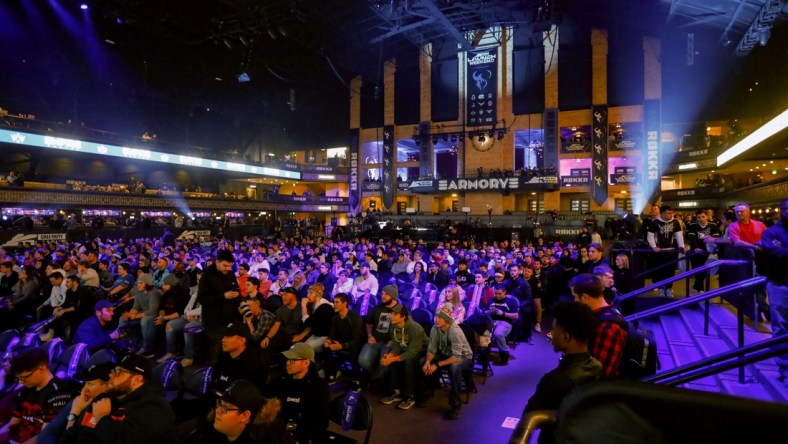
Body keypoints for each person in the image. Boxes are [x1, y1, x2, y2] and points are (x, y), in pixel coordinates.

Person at [522, 302, 602, 444]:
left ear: (566, 337)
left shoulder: (555, 381)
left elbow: (529, 414)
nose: (551, 335)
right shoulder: (596, 366)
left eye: (554, 330)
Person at [62, 353, 175, 444]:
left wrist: (102, 417)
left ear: (137, 380)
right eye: (113, 371)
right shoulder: (105, 398)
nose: (110, 375)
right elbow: (75, 433)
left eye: (118, 372)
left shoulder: (155, 410)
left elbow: (119, 439)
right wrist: (74, 414)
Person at [0, 348, 73, 444]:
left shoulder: (60, 394)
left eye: (24, 377)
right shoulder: (26, 389)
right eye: (18, 378)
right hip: (15, 439)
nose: (20, 382)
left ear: (41, 369)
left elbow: (46, 435)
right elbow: (13, 423)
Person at [268, 343, 330, 444]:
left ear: (306, 363)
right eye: (287, 359)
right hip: (279, 433)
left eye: (292, 360)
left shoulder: (319, 386)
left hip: (303, 436)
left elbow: (321, 421)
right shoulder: (280, 381)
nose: (288, 363)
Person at [37, 362, 113, 444]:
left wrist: (74, 413)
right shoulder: (78, 401)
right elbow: (46, 434)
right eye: (85, 383)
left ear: (107, 385)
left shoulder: (109, 412)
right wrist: (75, 410)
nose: (84, 389)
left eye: (90, 384)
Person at [756, 197, 788, 386]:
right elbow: (773, 251)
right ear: (780, 210)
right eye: (786, 209)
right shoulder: (771, 233)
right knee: (781, 328)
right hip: (780, 286)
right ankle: (785, 369)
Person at [570, 273, 627, 379]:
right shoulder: (607, 311)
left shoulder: (608, 328)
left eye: (575, 297)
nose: (575, 301)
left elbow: (598, 374)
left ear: (585, 297)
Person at [421, 304, 473, 419]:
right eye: (436, 317)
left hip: (463, 357)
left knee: (454, 368)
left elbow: (456, 357)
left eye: (440, 317)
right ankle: (428, 392)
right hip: (445, 353)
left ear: (448, 319)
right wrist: (428, 362)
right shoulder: (435, 328)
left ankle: (456, 405)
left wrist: (437, 364)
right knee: (423, 361)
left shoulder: (455, 331)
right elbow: (432, 348)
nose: (437, 320)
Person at [183, 380, 264, 444]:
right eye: (220, 404)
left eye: (225, 407)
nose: (218, 410)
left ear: (244, 416)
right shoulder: (210, 430)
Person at [380, 305, 428, 410]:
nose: (391, 316)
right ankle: (396, 393)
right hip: (406, 347)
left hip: (421, 351)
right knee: (392, 361)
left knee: (408, 362)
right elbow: (397, 345)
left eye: (395, 314)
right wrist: (390, 355)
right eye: (391, 314)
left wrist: (393, 358)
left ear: (403, 317)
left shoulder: (415, 328)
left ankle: (410, 396)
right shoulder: (393, 326)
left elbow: (412, 352)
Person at [198, 249, 241, 365]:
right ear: (217, 262)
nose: (227, 268)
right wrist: (223, 296)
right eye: (225, 265)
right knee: (215, 353)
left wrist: (240, 302)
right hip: (214, 322)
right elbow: (203, 299)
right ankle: (210, 377)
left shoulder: (231, 274)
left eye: (230, 266)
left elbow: (237, 292)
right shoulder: (206, 277)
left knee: (228, 353)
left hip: (230, 319)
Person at [358, 285, 400, 384]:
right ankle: (376, 378)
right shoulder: (378, 308)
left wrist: (395, 340)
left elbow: (406, 330)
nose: (383, 296)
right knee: (363, 360)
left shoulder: (401, 310)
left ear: (393, 296)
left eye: (386, 294)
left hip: (390, 343)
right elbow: (369, 323)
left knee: (384, 362)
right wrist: (369, 335)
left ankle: (375, 382)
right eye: (382, 293)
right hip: (375, 340)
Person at [322, 293, 364, 381]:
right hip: (341, 343)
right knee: (325, 347)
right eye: (334, 302)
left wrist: (342, 346)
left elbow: (356, 340)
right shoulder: (335, 317)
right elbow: (332, 334)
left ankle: (356, 379)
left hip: (353, 344)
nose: (334, 304)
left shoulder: (355, 317)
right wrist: (329, 341)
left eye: (337, 302)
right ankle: (329, 373)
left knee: (354, 351)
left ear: (344, 303)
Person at [646, 205, 685, 297]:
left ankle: (668, 288)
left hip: (671, 250)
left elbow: (679, 235)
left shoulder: (675, 222)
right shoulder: (655, 222)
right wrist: (654, 246)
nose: (670, 215)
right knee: (659, 270)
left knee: (670, 270)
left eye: (671, 213)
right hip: (659, 251)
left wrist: (681, 246)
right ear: (662, 214)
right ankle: (660, 288)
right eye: (668, 213)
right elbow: (650, 236)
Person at [119, 274, 161, 357]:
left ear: (147, 284)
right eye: (138, 283)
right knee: (122, 319)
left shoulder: (154, 293)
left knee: (145, 321)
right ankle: (127, 341)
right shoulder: (138, 291)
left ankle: (147, 349)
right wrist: (130, 314)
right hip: (142, 313)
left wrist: (135, 316)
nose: (138, 285)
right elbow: (136, 306)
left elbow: (152, 311)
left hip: (153, 314)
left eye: (141, 283)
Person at [482, 284, 519, 365]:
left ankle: (504, 353)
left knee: (498, 333)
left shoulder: (511, 301)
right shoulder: (491, 300)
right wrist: (489, 312)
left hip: (505, 322)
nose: (497, 296)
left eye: (499, 294)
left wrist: (503, 313)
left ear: (504, 292)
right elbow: (484, 312)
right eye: (496, 293)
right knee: (481, 333)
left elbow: (516, 315)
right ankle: (482, 354)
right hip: (491, 321)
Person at [685, 209, 720, 294]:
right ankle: (699, 287)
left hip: (707, 252)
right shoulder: (692, 225)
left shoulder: (713, 225)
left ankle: (698, 287)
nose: (701, 219)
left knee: (704, 270)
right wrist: (696, 248)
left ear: (707, 216)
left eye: (703, 217)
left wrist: (713, 249)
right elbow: (692, 239)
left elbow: (716, 239)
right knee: (696, 269)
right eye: (699, 217)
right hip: (695, 251)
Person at [295, 283, 334, 353]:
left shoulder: (324, 306)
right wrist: (301, 336)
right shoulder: (315, 305)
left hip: (325, 338)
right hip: (316, 335)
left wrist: (303, 305)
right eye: (308, 293)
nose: (307, 296)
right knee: (299, 348)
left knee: (305, 351)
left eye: (310, 293)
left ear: (317, 295)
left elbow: (308, 322)